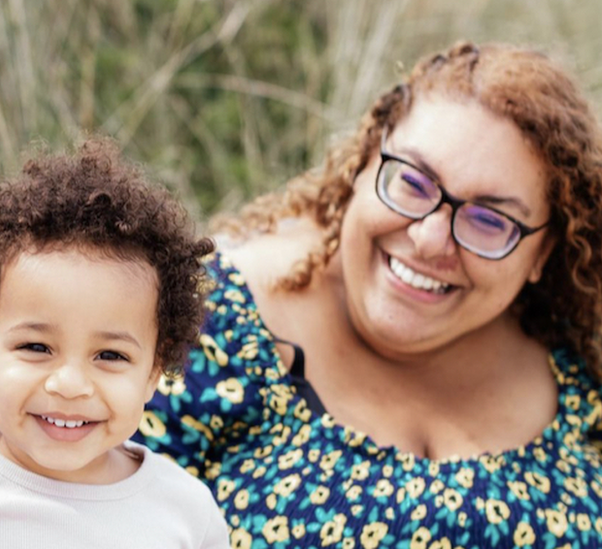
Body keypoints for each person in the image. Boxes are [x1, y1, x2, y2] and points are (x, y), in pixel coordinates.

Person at [134, 42, 602, 548]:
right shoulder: (200, 323)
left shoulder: (577, 370)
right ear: (366, 160)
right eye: (415, 182)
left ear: (542, 252)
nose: (428, 239)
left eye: (489, 220)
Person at [0, 139, 229, 548]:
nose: (69, 384)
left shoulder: (188, 510)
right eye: (36, 347)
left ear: (154, 369)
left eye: (110, 355)